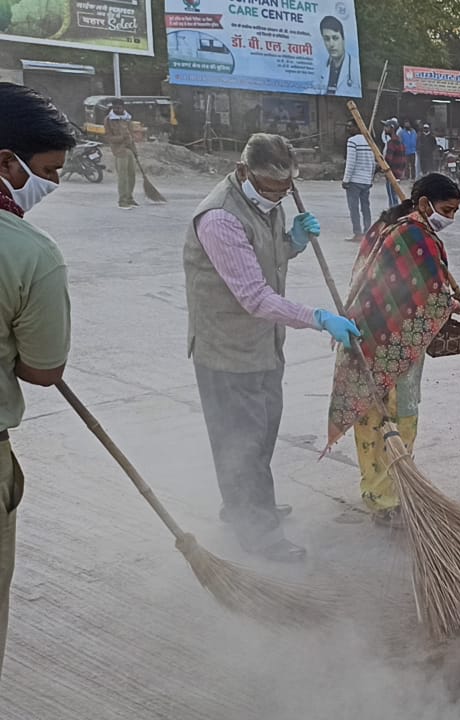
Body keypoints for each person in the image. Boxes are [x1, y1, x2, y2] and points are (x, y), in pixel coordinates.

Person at [184, 133, 360, 561]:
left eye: (286, 189)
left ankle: (249, 504)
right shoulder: (220, 219)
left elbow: (267, 256)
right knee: (239, 442)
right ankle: (257, 531)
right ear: (244, 172)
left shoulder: (270, 204)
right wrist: (319, 318)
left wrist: (291, 243)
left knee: (259, 434)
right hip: (227, 351)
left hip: (263, 346)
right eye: (269, 187)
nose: (278, 196)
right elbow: (255, 297)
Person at [328, 174, 460, 525]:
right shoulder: (411, 234)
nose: (450, 218)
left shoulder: (398, 226)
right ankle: (383, 499)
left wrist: (447, 302)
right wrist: (451, 305)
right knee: (386, 420)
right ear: (423, 204)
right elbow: (423, 294)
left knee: (390, 419)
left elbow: (423, 288)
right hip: (382, 343)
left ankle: (391, 489)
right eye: (447, 210)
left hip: (385, 340)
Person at [0, 82, 77, 676]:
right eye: (48, 170)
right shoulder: (30, 252)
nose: (53, 184)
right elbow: (42, 369)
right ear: (7, 162)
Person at [342, 120, 375, 243]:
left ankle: (358, 233)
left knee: (354, 208)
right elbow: (373, 162)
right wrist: (370, 178)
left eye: (350, 126)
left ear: (357, 127)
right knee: (365, 207)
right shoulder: (369, 140)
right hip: (366, 180)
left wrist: (346, 180)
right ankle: (368, 232)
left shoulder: (352, 141)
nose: (348, 128)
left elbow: (350, 162)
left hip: (354, 180)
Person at [103, 98, 138, 210]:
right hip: (119, 151)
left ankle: (129, 198)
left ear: (123, 107)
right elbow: (108, 137)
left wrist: (135, 150)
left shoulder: (127, 118)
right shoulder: (109, 120)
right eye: (115, 107)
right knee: (123, 176)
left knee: (131, 175)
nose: (117, 109)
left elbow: (131, 135)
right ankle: (122, 201)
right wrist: (121, 138)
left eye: (119, 107)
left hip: (130, 149)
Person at [316, 15, 360, 96]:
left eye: (335, 38)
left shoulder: (356, 67)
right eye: (327, 39)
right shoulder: (321, 69)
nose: (331, 44)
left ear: (343, 39)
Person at [381, 120, 406, 209]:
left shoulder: (391, 143)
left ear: (392, 128)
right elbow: (403, 160)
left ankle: (394, 216)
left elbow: (388, 160)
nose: (384, 129)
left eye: (386, 127)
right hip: (398, 173)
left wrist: (381, 168)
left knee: (392, 199)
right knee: (395, 197)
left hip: (391, 174)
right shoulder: (400, 142)